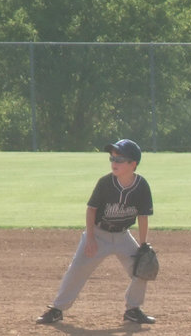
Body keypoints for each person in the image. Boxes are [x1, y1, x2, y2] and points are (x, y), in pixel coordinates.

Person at [36, 138, 157, 326]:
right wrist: (90, 238)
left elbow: (143, 216)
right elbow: (91, 210)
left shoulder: (141, 186)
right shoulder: (105, 183)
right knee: (77, 269)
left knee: (142, 268)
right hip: (99, 234)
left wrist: (143, 244)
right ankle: (57, 310)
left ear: (132, 164)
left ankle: (133, 310)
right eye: (112, 159)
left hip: (123, 235)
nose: (113, 163)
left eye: (119, 159)